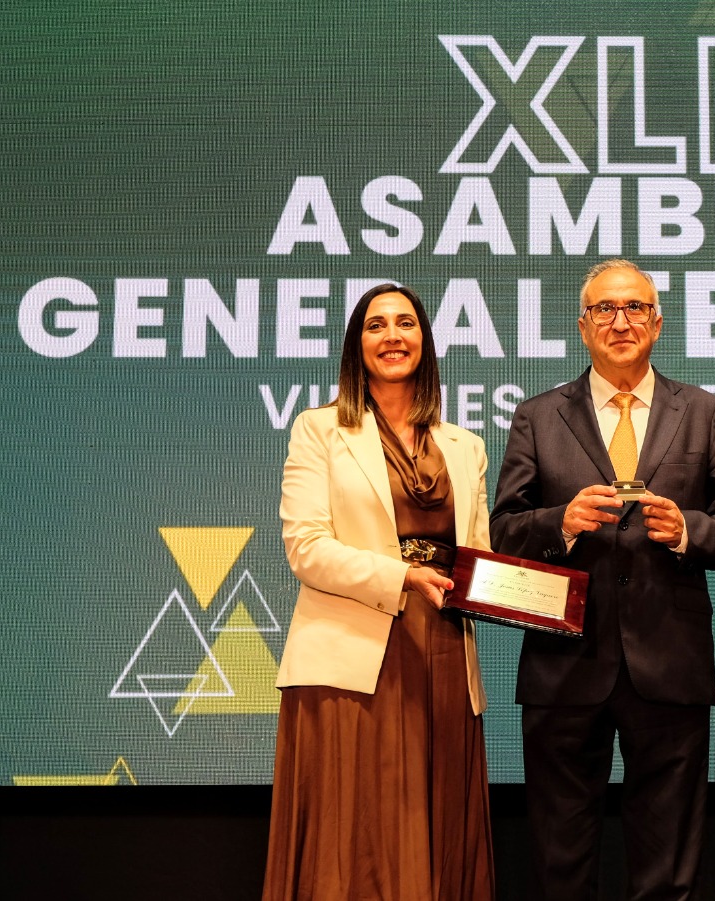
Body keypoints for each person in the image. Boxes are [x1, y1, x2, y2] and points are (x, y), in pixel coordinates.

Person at [491, 259, 715, 901]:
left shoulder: (703, 411)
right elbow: (502, 530)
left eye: (635, 308)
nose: (621, 321)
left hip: (670, 662)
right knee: (561, 859)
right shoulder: (537, 415)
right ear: (583, 325)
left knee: (669, 862)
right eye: (605, 309)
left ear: (657, 324)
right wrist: (562, 522)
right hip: (564, 662)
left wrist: (689, 530)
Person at [262, 283, 494, 901]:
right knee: (352, 843)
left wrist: (537, 586)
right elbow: (306, 548)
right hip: (352, 659)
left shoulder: (466, 446)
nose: (393, 335)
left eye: (405, 323)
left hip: (443, 654)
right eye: (376, 325)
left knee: (436, 832)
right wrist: (402, 577)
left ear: (425, 340)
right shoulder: (318, 429)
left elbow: (479, 558)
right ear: (356, 345)